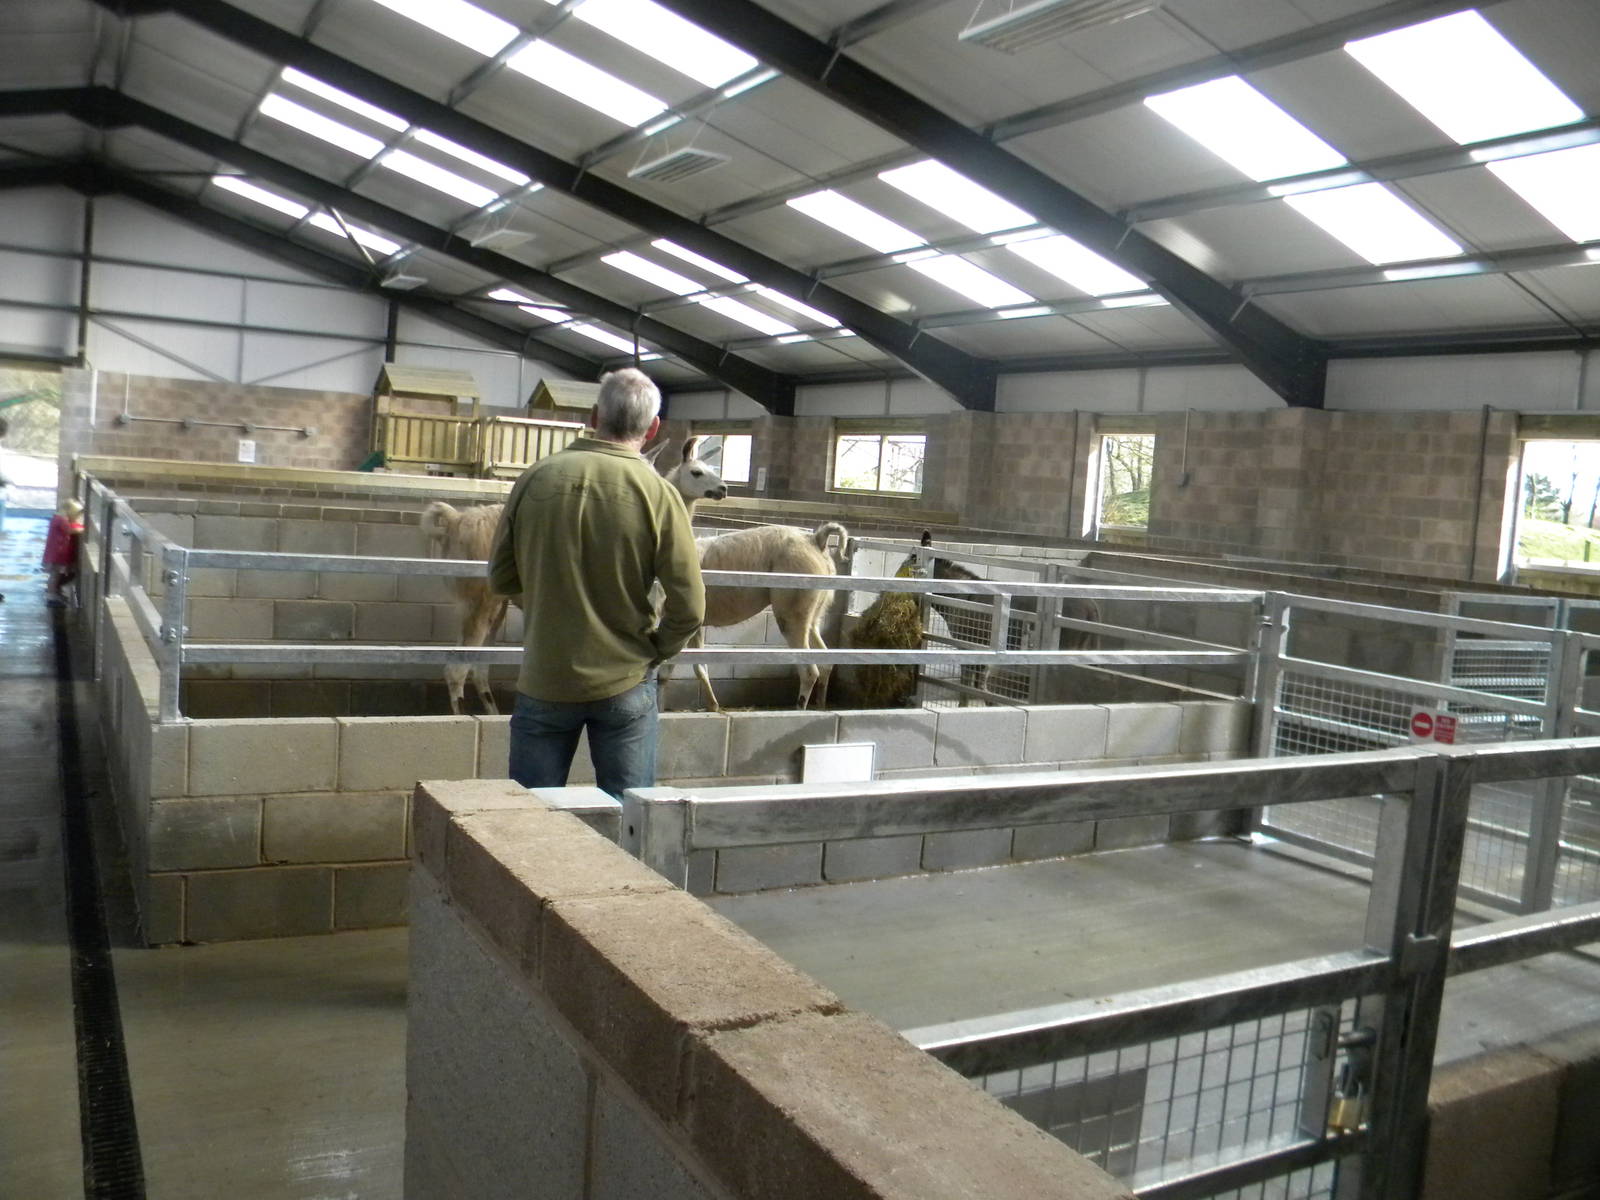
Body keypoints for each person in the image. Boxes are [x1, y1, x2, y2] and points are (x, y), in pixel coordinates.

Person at [488, 368, 704, 799]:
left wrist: (551, 605)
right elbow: (691, 608)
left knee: (529, 822)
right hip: (626, 679)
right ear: (653, 426)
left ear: (593, 415)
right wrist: (656, 650)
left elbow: (501, 577)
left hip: (545, 676)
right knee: (629, 818)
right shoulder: (659, 494)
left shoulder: (536, 477)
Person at [43, 497, 85, 607]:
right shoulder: (61, 520)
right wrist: (84, 529)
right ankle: (51, 595)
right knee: (55, 575)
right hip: (57, 553)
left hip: (56, 552)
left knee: (56, 575)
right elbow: (70, 530)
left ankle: (55, 592)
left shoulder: (58, 518)